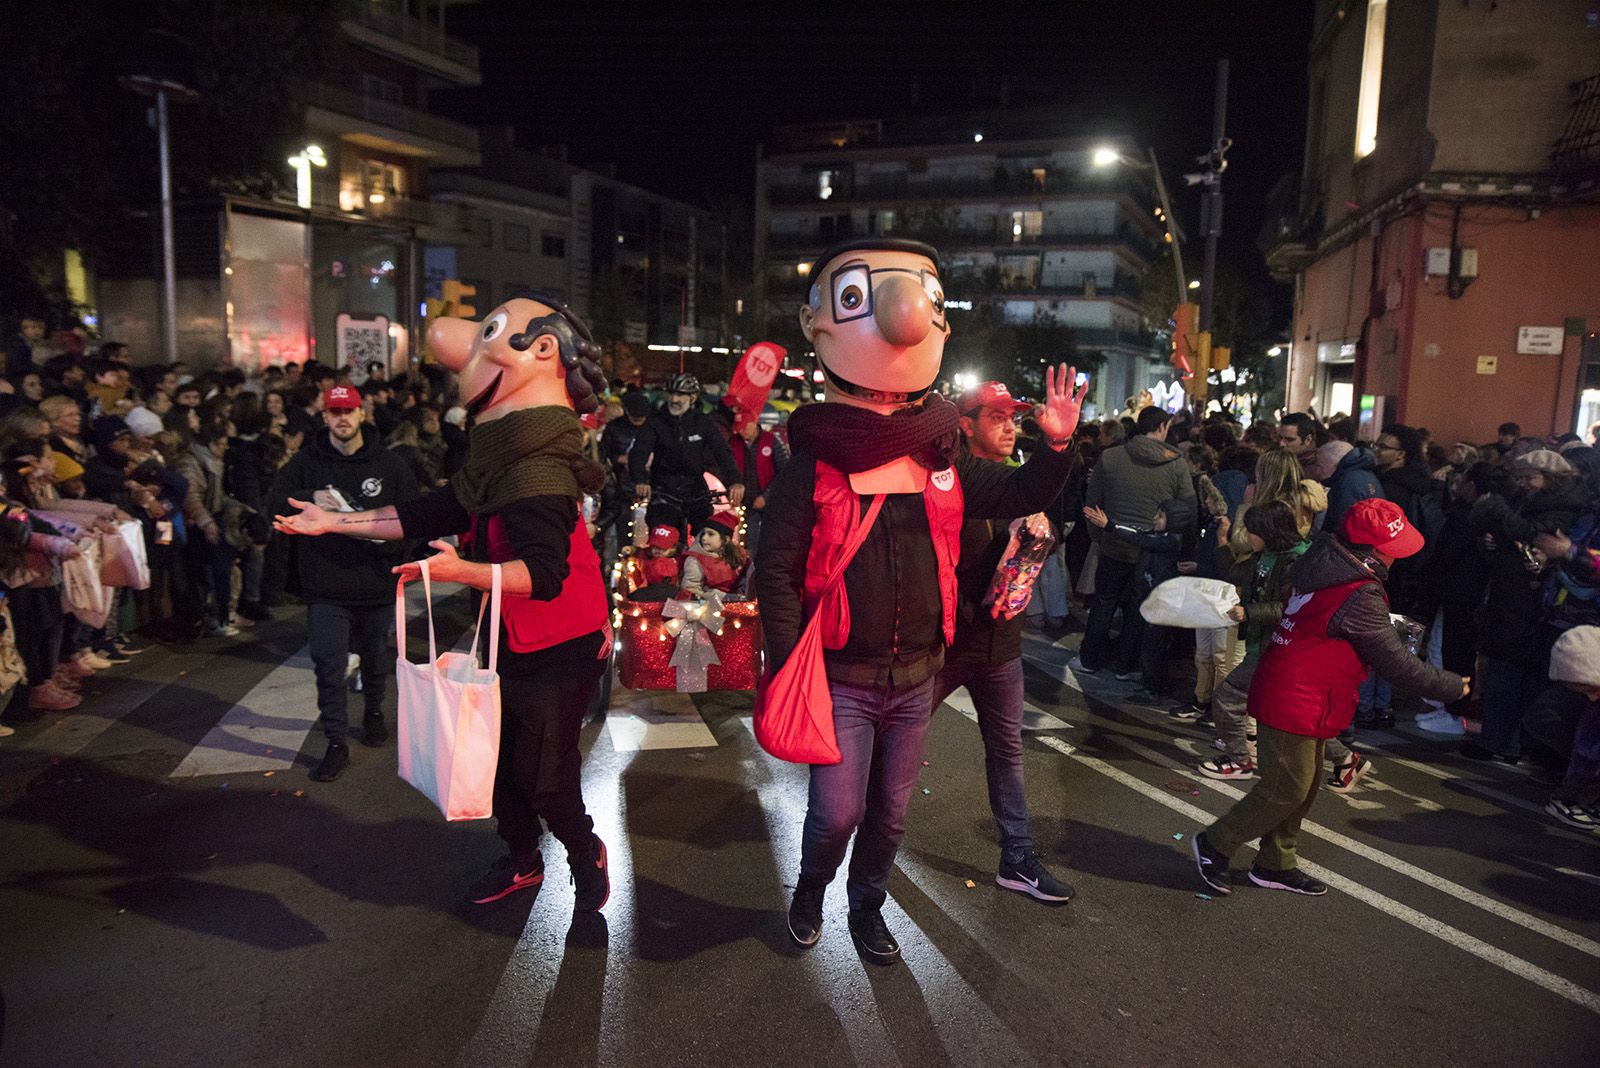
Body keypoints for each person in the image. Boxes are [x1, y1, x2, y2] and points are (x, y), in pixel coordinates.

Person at [757, 237, 1086, 964]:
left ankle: (865, 907)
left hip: (916, 676)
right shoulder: (812, 462)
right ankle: (813, 886)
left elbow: (1018, 491)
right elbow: (774, 571)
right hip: (841, 675)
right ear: (818, 324)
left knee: (890, 815)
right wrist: (789, 663)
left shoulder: (941, 453)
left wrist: (1057, 448)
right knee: (837, 811)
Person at [275, 297, 614, 912]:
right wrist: (336, 522)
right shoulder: (498, 458)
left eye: (489, 333)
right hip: (507, 636)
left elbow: (542, 575)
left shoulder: (538, 466)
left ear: (541, 353)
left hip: (561, 641)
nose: (456, 344)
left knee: (544, 775)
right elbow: (425, 511)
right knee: (499, 764)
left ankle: (584, 851)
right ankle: (522, 861)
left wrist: (464, 570)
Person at [1190, 499, 1468, 897]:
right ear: (1374, 549)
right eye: (1394, 547)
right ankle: (1215, 845)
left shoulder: (1326, 563)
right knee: (1285, 788)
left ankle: (1275, 863)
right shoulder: (1358, 591)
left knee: (1302, 785)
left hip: (1308, 690)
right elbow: (1396, 665)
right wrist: (1452, 686)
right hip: (1296, 695)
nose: (1398, 556)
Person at [931, 380, 1075, 904]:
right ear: (964, 425)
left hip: (1001, 646)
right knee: (893, 750)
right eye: (996, 416)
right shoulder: (945, 486)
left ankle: (1017, 857)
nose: (1011, 425)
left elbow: (1032, 550)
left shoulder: (1021, 487)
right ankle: (864, 841)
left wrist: (1033, 544)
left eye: (1014, 416)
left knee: (1008, 751)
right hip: (943, 646)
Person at [269, 385, 419, 781]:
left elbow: (414, 515)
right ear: (325, 416)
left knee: (374, 659)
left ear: (361, 413)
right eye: (335, 411)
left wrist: (399, 560)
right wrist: (311, 495)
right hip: (326, 586)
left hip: (375, 584)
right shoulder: (307, 462)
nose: (343, 418)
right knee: (328, 665)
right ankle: (336, 741)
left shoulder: (388, 464)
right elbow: (273, 501)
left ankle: (373, 711)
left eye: (349, 410)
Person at [1072, 406, 1196, 680]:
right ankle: (1125, 666)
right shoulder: (1175, 463)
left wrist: (1101, 537)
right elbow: (1187, 509)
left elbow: (1092, 503)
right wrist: (1180, 547)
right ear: (1162, 427)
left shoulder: (1111, 456)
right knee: (1137, 608)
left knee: (1104, 603)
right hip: (1153, 550)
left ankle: (1090, 658)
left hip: (1114, 543)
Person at [1199, 500, 1310, 778]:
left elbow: (1293, 607)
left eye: (1253, 531)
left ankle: (1239, 759)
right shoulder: (1265, 555)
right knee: (1290, 710)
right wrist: (1222, 541)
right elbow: (1234, 573)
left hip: (1282, 648)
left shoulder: (1297, 561)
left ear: (1270, 531)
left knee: (1227, 697)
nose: (1248, 536)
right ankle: (1347, 760)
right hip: (1263, 646)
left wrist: (1248, 612)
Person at [629, 373, 745, 538]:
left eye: (680, 394)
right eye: (672, 393)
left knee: (707, 539)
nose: (674, 399)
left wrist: (735, 481)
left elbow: (722, 452)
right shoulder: (656, 422)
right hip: (664, 491)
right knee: (661, 539)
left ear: (693, 397)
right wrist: (640, 480)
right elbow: (639, 452)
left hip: (696, 491)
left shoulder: (703, 422)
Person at [679, 511, 743, 595]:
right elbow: (690, 590)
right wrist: (715, 596)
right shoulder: (695, 561)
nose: (704, 538)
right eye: (703, 533)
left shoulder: (734, 556)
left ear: (726, 540)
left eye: (710, 534)